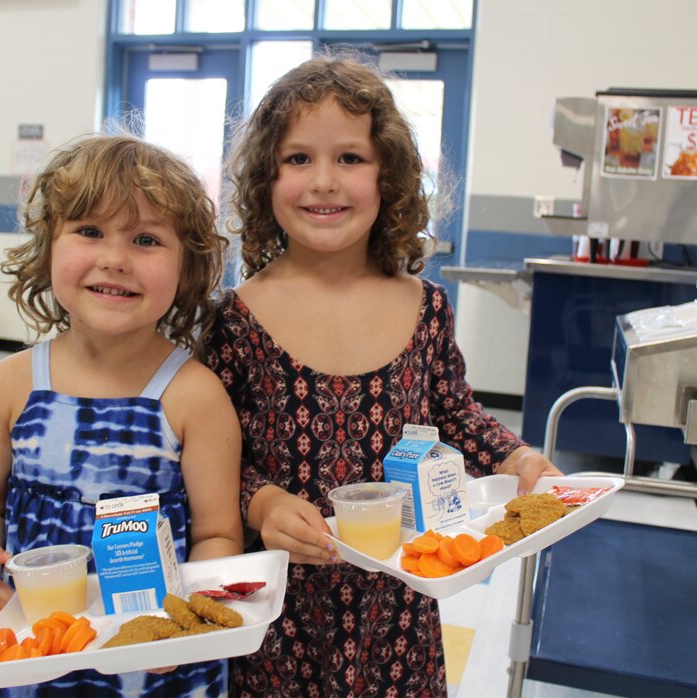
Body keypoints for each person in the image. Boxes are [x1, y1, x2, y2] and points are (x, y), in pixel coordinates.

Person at [204, 55, 563, 696]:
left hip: (401, 604)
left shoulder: (425, 307)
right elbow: (208, 459)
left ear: (388, 174)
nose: (324, 182)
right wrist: (259, 502)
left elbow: (453, 415)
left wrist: (517, 459)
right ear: (264, 177)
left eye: (350, 158)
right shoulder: (235, 319)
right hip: (282, 611)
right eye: (297, 159)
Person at [0, 133, 243, 697]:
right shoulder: (11, 385)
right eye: (89, 231)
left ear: (186, 269)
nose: (115, 258)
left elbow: (217, 535)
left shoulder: (194, 396)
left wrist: (183, 625)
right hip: (40, 653)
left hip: (160, 665)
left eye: (145, 239)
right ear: (47, 247)